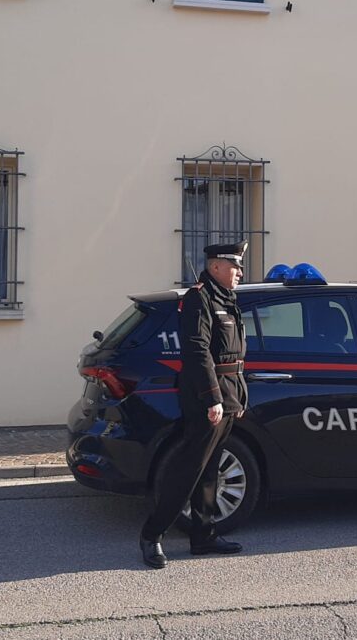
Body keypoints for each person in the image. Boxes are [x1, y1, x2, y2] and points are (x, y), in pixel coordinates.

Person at [139, 240, 249, 568]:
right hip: (207, 396)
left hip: (229, 392)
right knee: (189, 470)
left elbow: (234, 355)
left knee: (211, 471)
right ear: (216, 266)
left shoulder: (227, 299)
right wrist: (212, 397)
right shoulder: (199, 298)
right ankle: (151, 534)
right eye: (234, 266)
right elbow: (197, 352)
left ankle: (203, 535)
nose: (240, 272)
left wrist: (237, 396)